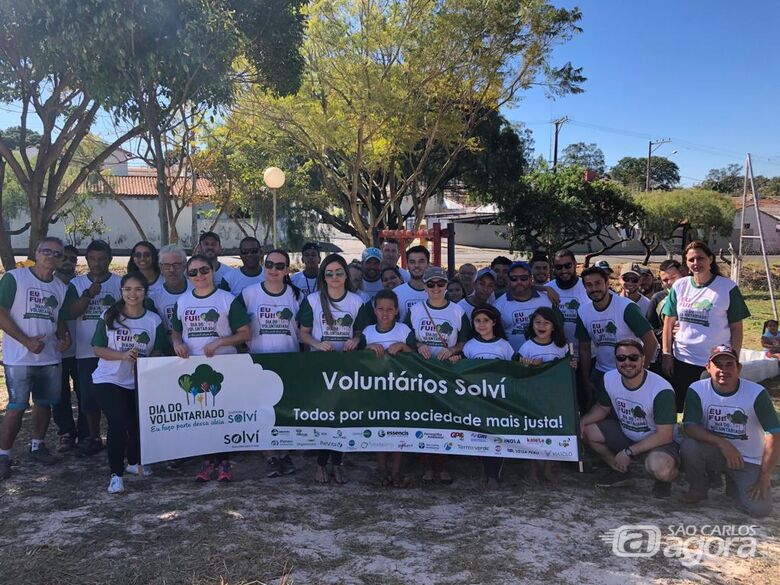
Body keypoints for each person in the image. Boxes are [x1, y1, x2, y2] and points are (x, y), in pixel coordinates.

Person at [171, 255, 251, 482]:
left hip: (224, 365)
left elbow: (245, 333)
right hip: (193, 366)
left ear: (213, 271)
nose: (199, 276)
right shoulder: (183, 301)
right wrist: (177, 343)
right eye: (193, 272)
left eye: (203, 270)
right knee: (201, 416)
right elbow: (176, 330)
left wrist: (219, 342)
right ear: (188, 276)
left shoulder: (227, 300)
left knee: (222, 414)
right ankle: (207, 461)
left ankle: (224, 462)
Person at [679, 345, 780, 517]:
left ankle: (734, 483)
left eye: (729, 364)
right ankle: (699, 487)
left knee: (760, 509)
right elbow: (689, 426)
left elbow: (775, 435)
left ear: (739, 368)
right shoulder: (697, 389)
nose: (723, 370)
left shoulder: (756, 393)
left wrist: (764, 476)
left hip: (747, 459)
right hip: (716, 452)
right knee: (689, 446)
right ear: (708, 368)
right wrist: (723, 443)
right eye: (718, 364)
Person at [0, 237, 70, 479]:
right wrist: (25, 341)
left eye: (56, 254)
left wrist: (64, 336)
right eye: (46, 251)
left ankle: (37, 445)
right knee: (16, 407)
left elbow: (58, 318)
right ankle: (4, 455)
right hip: (19, 358)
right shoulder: (14, 278)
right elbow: (1, 312)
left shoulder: (61, 288)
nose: (50, 256)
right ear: (36, 253)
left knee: (43, 404)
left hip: (49, 357)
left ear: (61, 259)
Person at [298, 253, 370, 484]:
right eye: (329, 273)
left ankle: (338, 463)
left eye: (339, 272)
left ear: (346, 275)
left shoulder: (356, 302)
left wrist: (356, 340)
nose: (335, 277)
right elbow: (303, 333)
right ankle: (320, 464)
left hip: (347, 367)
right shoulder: (312, 301)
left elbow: (361, 331)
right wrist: (318, 345)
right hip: (320, 366)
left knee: (342, 414)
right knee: (324, 415)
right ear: (323, 276)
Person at [92, 272, 167, 493]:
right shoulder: (109, 316)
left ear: (145, 293)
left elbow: (159, 348)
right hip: (109, 379)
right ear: (121, 291)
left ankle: (134, 462)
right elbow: (97, 348)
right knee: (118, 423)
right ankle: (116, 474)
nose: (132, 294)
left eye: (138, 289)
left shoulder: (153, 320)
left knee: (136, 423)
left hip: (138, 380)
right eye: (127, 289)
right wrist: (123, 356)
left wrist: (147, 362)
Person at [580, 339, 680, 498]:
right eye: (621, 358)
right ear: (616, 361)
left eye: (633, 357)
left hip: (658, 441)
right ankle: (619, 469)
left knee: (661, 468)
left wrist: (629, 451)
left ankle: (665, 480)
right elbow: (602, 408)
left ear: (643, 359)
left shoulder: (661, 389)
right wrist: (582, 422)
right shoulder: (609, 378)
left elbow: (664, 435)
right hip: (626, 433)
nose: (627, 362)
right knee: (587, 430)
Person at [662, 241, 750, 413]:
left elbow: (737, 328)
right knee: (683, 407)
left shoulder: (727, 287)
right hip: (682, 359)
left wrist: (734, 359)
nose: (696, 263)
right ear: (686, 263)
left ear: (710, 259)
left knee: (711, 409)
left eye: (700, 258)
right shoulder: (680, 286)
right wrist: (667, 354)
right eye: (691, 259)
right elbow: (668, 322)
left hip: (714, 362)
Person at [405, 266, 471, 484]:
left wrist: (452, 351)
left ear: (446, 286)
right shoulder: (415, 310)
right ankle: (426, 467)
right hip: (421, 372)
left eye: (440, 284)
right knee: (424, 418)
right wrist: (419, 343)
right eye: (431, 284)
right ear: (424, 286)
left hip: (446, 373)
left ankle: (443, 465)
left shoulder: (457, 311)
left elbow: (464, 341)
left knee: (444, 419)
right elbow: (406, 337)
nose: (436, 288)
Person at [241, 249, 302, 478]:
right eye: (270, 265)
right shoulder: (248, 294)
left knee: (284, 410)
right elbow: (237, 325)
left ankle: (285, 452)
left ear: (287, 270)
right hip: (259, 361)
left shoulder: (296, 296)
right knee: (262, 411)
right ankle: (270, 456)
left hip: (289, 359)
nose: (274, 270)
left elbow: (303, 328)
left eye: (279, 266)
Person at [63, 239, 122, 457]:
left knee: (117, 394)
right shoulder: (76, 284)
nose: (97, 264)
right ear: (86, 260)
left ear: (110, 260)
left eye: (102, 259)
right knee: (88, 396)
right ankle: (94, 437)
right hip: (85, 350)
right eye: (93, 259)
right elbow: (72, 312)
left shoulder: (119, 282)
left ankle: (120, 435)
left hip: (114, 350)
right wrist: (89, 294)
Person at [575, 266, 658, 408]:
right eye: (589, 285)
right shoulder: (583, 311)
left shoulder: (626, 308)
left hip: (628, 372)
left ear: (607, 283)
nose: (594, 288)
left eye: (598, 283)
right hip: (600, 372)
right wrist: (586, 379)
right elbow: (584, 349)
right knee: (598, 415)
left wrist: (640, 372)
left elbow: (651, 342)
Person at [360, 289, 415, 487]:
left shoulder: (403, 331)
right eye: (381, 309)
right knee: (379, 430)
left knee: (399, 430)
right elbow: (357, 359)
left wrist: (403, 347)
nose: (385, 313)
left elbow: (416, 356)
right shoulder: (368, 332)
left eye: (390, 309)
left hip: (400, 390)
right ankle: (382, 470)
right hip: (375, 390)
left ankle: (396, 471)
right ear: (374, 310)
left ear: (397, 311)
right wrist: (367, 349)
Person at [458, 304, 513, 489]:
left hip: (497, 401)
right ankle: (482, 468)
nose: (481, 324)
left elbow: (514, 372)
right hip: (475, 399)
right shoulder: (470, 346)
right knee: (480, 436)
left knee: (495, 436)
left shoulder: (504, 346)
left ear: (494, 322)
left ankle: (493, 475)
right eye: (477, 321)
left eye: (486, 321)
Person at [52, 244, 87, 452]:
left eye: (72, 259)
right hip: (55, 349)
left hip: (81, 348)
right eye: (63, 257)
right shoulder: (47, 283)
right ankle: (66, 432)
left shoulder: (80, 285)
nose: (68, 262)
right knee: (60, 394)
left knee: (84, 392)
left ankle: (85, 433)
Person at [494, 261, 555, 352]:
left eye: (524, 278)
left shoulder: (547, 300)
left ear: (530, 279)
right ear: (509, 280)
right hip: (513, 359)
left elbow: (557, 330)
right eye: (514, 278)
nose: (519, 282)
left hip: (544, 357)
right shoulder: (498, 305)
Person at [545, 249, 590, 347]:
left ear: (575, 264)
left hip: (587, 352)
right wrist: (542, 288)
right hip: (558, 354)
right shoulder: (547, 289)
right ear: (554, 268)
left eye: (568, 265)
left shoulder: (588, 287)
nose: (564, 270)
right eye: (559, 267)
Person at [147, 244, 191, 341]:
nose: (172, 270)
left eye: (176, 265)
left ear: (184, 266)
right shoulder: (153, 296)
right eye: (167, 265)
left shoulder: (196, 289)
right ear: (161, 268)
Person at [393, 245, 431, 322]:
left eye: (421, 261)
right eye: (412, 262)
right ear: (407, 264)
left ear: (428, 264)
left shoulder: (439, 293)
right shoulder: (396, 293)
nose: (416, 265)